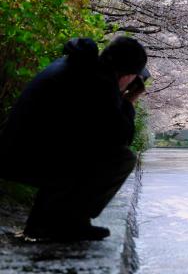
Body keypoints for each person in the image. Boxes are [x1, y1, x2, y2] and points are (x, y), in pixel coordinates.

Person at [0, 36, 148, 242]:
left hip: (19, 151)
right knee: (121, 158)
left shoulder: (78, 65)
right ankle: (71, 222)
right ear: (129, 75)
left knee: (82, 148)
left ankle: (43, 222)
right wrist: (128, 101)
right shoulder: (99, 82)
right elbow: (120, 138)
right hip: (32, 158)